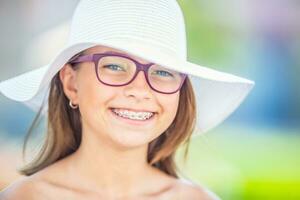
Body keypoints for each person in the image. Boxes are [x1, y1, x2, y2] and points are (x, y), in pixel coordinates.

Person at [0, 0, 254, 199]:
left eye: (163, 71)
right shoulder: (24, 197)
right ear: (71, 83)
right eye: (114, 66)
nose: (140, 90)